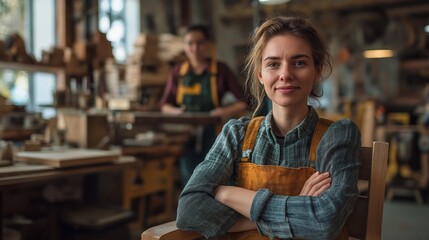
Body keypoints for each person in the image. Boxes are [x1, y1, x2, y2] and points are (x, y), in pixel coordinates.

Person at [176, 16, 361, 240]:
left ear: (318, 70)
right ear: (260, 74)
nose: (285, 74)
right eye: (273, 64)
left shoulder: (337, 135)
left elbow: (324, 222)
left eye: (299, 63)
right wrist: (298, 208)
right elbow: (189, 208)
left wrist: (229, 195)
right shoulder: (236, 134)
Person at [159, 24, 248, 185]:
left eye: (199, 43)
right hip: (187, 136)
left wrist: (225, 110)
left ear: (207, 44)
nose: (195, 48)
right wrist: (176, 112)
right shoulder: (178, 72)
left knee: (215, 180)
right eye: (189, 43)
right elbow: (165, 105)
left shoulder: (220, 70)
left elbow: (244, 102)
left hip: (214, 135)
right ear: (184, 46)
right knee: (190, 180)